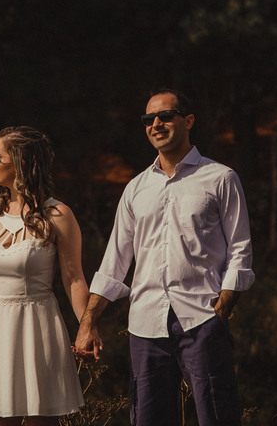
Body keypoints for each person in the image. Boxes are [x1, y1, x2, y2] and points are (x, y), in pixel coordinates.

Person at [74, 89, 255, 426]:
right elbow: (115, 261)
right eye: (148, 119)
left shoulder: (220, 178)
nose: (155, 124)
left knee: (217, 416)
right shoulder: (136, 188)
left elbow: (240, 249)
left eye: (165, 116)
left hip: (202, 318)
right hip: (146, 324)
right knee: (148, 419)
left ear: (188, 121)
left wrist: (223, 308)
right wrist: (89, 321)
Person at [0, 126, 87, 424]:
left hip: (38, 328)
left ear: (22, 163)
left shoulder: (58, 215)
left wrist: (86, 326)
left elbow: (73, 278)